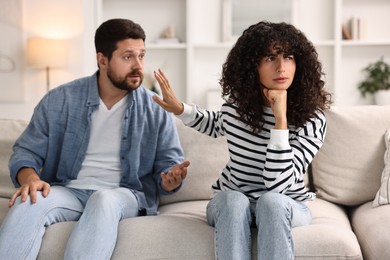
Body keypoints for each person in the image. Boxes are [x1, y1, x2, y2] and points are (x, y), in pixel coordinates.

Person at [0, 18, 190, 260]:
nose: (138, 65)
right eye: (128, 57)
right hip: (69, 190)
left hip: (124, 193)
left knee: (104, 199)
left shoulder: (155, 108)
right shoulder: (61, 99)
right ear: (102, 59)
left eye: (142, 56)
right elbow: (26, 151)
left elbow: (168, 166)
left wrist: (171, 180)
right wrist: (31, 179)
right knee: (29, 202)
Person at [153, 21, 332, 260]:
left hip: (286, 204)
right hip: (232, 202)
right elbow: (214, 123)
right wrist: (180, 109)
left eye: (288, 57)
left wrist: (281, 119)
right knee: (233, 200)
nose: (281, 67)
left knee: (272, 202)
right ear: (252, 66)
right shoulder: (237, 109)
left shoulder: (312, 119)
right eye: (270, 58)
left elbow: (278, 186)